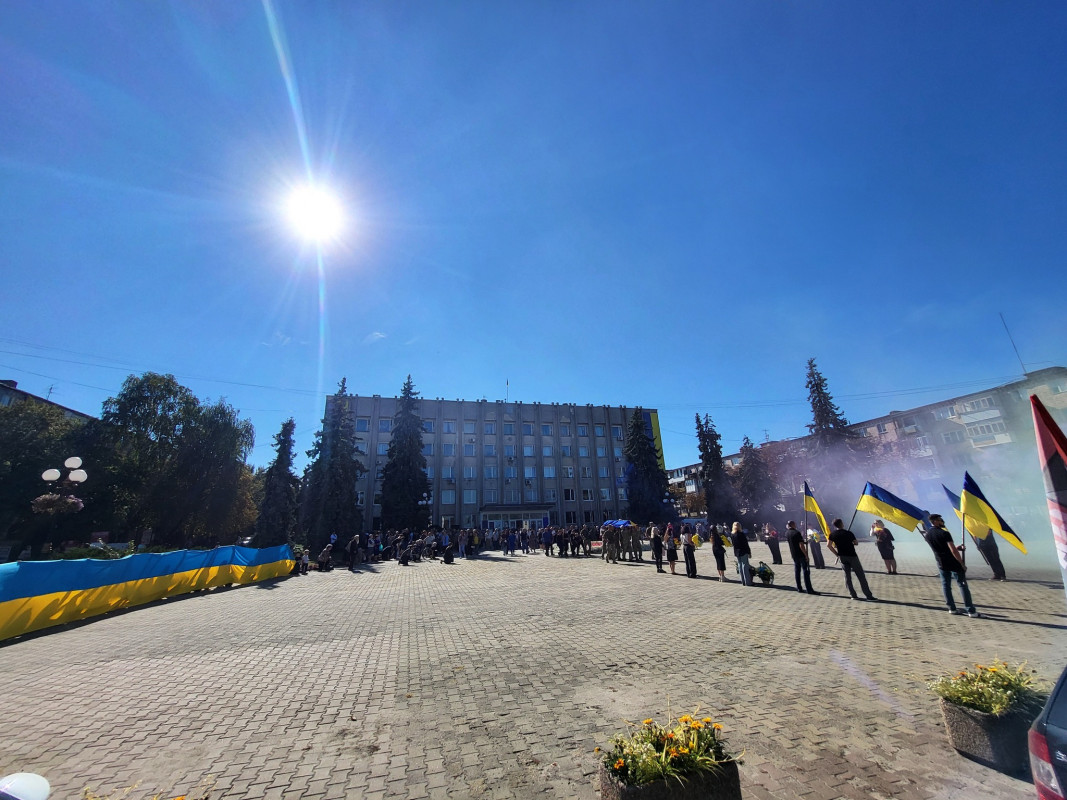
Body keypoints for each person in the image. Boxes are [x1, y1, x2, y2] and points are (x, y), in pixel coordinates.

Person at [923, 513, 981, 617]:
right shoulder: (944, 533)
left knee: (946, 585)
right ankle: (970, 610)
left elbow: (941, 547)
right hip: (953, 562)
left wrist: (957, 548)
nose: (942, 522)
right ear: (935, 521)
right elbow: (953, 550)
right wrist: (961, 563)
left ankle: (951, 608)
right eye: (940, 520)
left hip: (941, 562)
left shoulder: (927, 535)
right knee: (962, 585)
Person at [827, 519, 876, 601]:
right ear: (841, 524)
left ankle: (853, 595)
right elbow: (856, 543)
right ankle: (868, 595)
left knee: (847, 576)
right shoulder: (849, 533)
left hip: (842, 556)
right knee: (860, 575)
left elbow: (828, 545)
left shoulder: (832, 534)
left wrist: (836, 554)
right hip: (852, 556)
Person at [786, 520, 818, 594]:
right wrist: (806, 555)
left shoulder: (787, 533)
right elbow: (801, 545)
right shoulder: (797, 533)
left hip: (794, 554)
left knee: (797, 571)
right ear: (793, 525)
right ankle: (809, 589)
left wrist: (804, 542)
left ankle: (799, 587)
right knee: (806, 571)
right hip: (801, 554)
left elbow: (796, 542)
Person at [731, 522, 752, 586]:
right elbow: (745, 544)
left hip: (737, 551)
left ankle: (742, 581)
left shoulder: (732, 534)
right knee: (745, 565)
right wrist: (749, 552)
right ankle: (748, 582)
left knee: (740, 565)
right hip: (743, 551)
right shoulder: (741, 534)